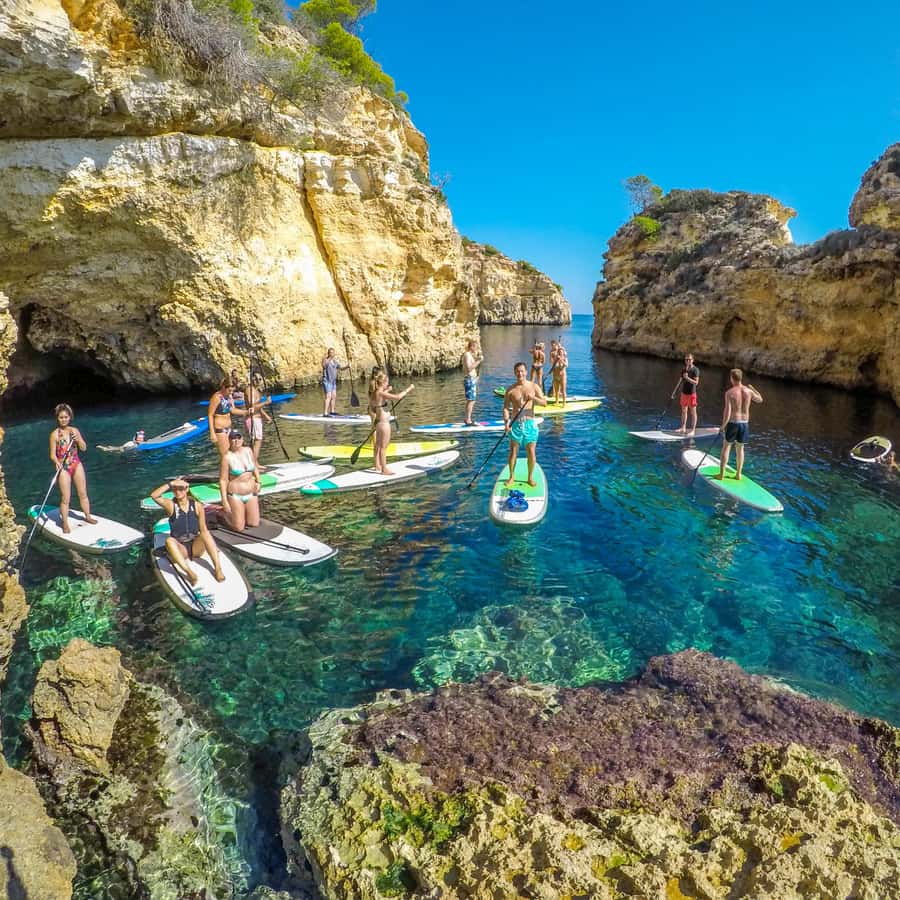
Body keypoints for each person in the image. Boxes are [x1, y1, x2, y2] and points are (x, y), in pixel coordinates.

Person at [150, 477, 225, 584]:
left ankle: (218, 568)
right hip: (181, 549)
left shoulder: (197, 506)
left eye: (181, 488)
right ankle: (190, 573)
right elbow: (154, 496)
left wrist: (212, 545)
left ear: (186, 489)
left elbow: (203, 530)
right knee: (169, 541)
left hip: (195, 547)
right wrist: (171, 483)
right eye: (175, 489)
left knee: (206, 534)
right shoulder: (171, 506)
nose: (178, 491)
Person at [48, 403, 97, 534]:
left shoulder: (74, 431)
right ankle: (64, 522)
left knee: (83, 493)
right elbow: (52, 454)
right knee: (66, 498)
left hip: (76, 463)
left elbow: (84, 448)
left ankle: (87, 516)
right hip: (63, 467)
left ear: (70, 417)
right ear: (57, 418)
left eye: (66, 417)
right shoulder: (54, 435)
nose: (63, 419)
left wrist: (78, 440)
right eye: (61, 417)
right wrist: (56, 461)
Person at [503, 362, 547, 487]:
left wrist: (533, 398)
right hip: (515, 424)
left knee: (531, 452)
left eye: (522, 371)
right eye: (517, 371)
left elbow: (544, 403)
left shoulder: (534, 387)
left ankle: (530, 477)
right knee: (513, 452)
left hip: (530, 424)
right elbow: (506, 407)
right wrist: (506, 422)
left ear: (526, 372)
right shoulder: (511, 390)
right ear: (514, 373)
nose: (520, 373)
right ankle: (511, 477)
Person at [716, 368, 763, 481]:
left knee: (726, 447)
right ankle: (738, 474)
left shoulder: (729, 393)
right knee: (740, 449)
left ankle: (721, 475)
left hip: (733, 423)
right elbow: (760, 400)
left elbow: (727, 412)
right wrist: (753, 388)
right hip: (744, 424)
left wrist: (722, 426)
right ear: (741, 378)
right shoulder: (749, 391)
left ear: (732, 378)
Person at [368, 371, 414, 475]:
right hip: (384, 424)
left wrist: (388, 390)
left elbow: (377, 401)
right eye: (387, 382)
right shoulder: (381, 393)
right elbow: (398, 397)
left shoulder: (374, 393)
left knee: (379, 446)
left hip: (378, 423)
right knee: (384, 447)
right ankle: (384, 469)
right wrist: (409, 389)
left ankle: (378, 466)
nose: (387, 384)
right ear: (383, 382)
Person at [218, 430, 262, 532]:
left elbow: (255, 466)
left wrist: (259, 482)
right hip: (236, 495)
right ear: (229, 440)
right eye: (233, 438)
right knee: (238, 528)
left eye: (238, 438)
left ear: (242, 439)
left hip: (251, 493)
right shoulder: (227, 457)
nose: (236, 441)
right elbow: (223, 480)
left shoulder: (248, 450)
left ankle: (240, 514)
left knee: (254, 523)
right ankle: (223, 515)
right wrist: (224, 501)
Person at [207, 378, 247, 458]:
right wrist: (212, 433)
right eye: (229, 390)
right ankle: (225, 470)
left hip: (228, 428)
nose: (231, 393)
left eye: (233, 391)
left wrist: (246, 412)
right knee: (225, 456)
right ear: (224, 387)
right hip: (220, 430)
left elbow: (232, 410)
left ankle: (230, 470)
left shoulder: (229, 397)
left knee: (232, 452)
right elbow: (210, 415)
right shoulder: (217, 397)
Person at [244, 372, 272, 462]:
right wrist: (265, 403)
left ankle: (255, 463)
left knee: (256, 442)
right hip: (253, 419)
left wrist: (265, 416)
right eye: (256, 378)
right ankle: (253, 465)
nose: (258, 381)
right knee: (257, 441)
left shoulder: (256, 391)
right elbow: (252, 407)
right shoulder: (250, 390)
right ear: (251, 379)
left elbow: (258, 407)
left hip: (257, 418)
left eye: (260, 379)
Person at [460, 338, 483, 426]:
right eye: (476, 347)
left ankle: (467, 418)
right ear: (471, 347)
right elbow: (469, 368)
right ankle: (468, 419)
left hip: (471, 379)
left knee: (471, 400)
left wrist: (476, 378)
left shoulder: (469, 355)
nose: (476, 349)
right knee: (471, 400)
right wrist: (478, 361)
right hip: (469, 379)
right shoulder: (467, 355)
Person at [677, 353, 700, 436]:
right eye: (686, 359)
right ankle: (683, 427)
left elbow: (696, 383)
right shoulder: (683, 369)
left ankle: (693, 430)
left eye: (689, 359)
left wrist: (687, 378)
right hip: (684, 393)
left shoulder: (695, 370)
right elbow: (680, 380)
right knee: (683, 411)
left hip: (692, 394)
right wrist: (674, 391)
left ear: (692, 360)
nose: (687, 361)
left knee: (693, 412)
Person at [321, 348, 348, 416]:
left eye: (333, 353)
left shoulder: (335, 362)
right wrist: (330, 358)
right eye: (330, 353)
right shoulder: (325, 360)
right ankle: (325, 412)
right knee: (328, 396)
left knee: (334, 396)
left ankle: (332, 411)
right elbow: (324, 366)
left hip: (333, 382)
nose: (332, 354)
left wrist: (347, 367)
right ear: (328, 353)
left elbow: (341, 368)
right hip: (327, 381)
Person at [550, 338, 568, 404]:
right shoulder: (555, 358)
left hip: (562, 376)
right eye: (559, 352)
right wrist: (550, 371)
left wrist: (561, 360)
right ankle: (556, 402)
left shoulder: (565, 358)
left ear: (563, 352)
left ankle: (564, 403)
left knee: (563, 391)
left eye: (561, 352)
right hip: (555, 376)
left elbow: (566, 365)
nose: (560, 353)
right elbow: (553, 365)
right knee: (557, 390)